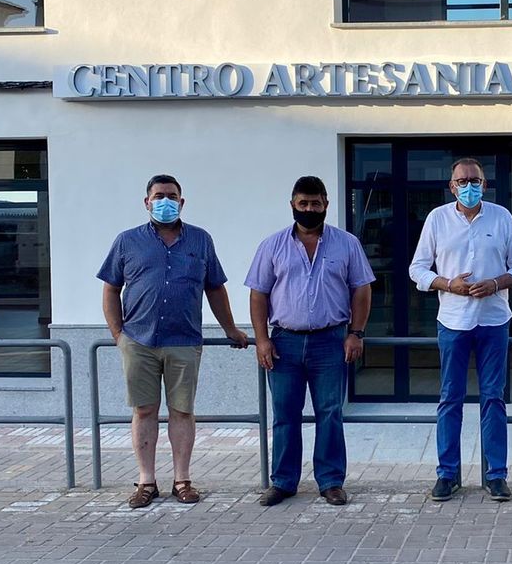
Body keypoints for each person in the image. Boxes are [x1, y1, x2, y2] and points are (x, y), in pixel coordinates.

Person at [98, 174, 249, 510]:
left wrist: (231, 330)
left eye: (171, 196)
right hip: (139, 340)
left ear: (181, 202)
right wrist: (118, 335)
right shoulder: (127, 242)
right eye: (158, 195)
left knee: (182, 411)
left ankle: (182, 480)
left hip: (184, 339)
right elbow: (110, 288)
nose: (164, 201)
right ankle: (146, 481)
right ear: (146, 201)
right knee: (144, 410)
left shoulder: (200, 240)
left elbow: (215, 288)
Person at [246, 175, 375, 507]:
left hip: (330, 341)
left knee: (330, 412)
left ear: (326, 205)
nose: (309, 209)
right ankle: (284, 482)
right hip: (284, 343)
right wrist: (262, 340)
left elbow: (361, 289)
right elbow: (258, 294)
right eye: (302, 204)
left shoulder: (347, 244)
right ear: (292, 205)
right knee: (284, 414)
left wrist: (356, 333)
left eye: (315, 204)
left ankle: (331, 481)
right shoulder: (271, 246)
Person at [408, 157, 512, 502]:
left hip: (494, 321)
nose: (468, 186)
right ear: (451, 187)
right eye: (461, 181)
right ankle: (448, 474)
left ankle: (495, 475)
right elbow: (417, 269)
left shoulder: (501, 217)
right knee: (450, 399)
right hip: (453, 322)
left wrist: (496, 283)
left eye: (474, 180)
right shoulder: (437, 219)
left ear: (485, 184)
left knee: (493, 398)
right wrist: (448, 284)